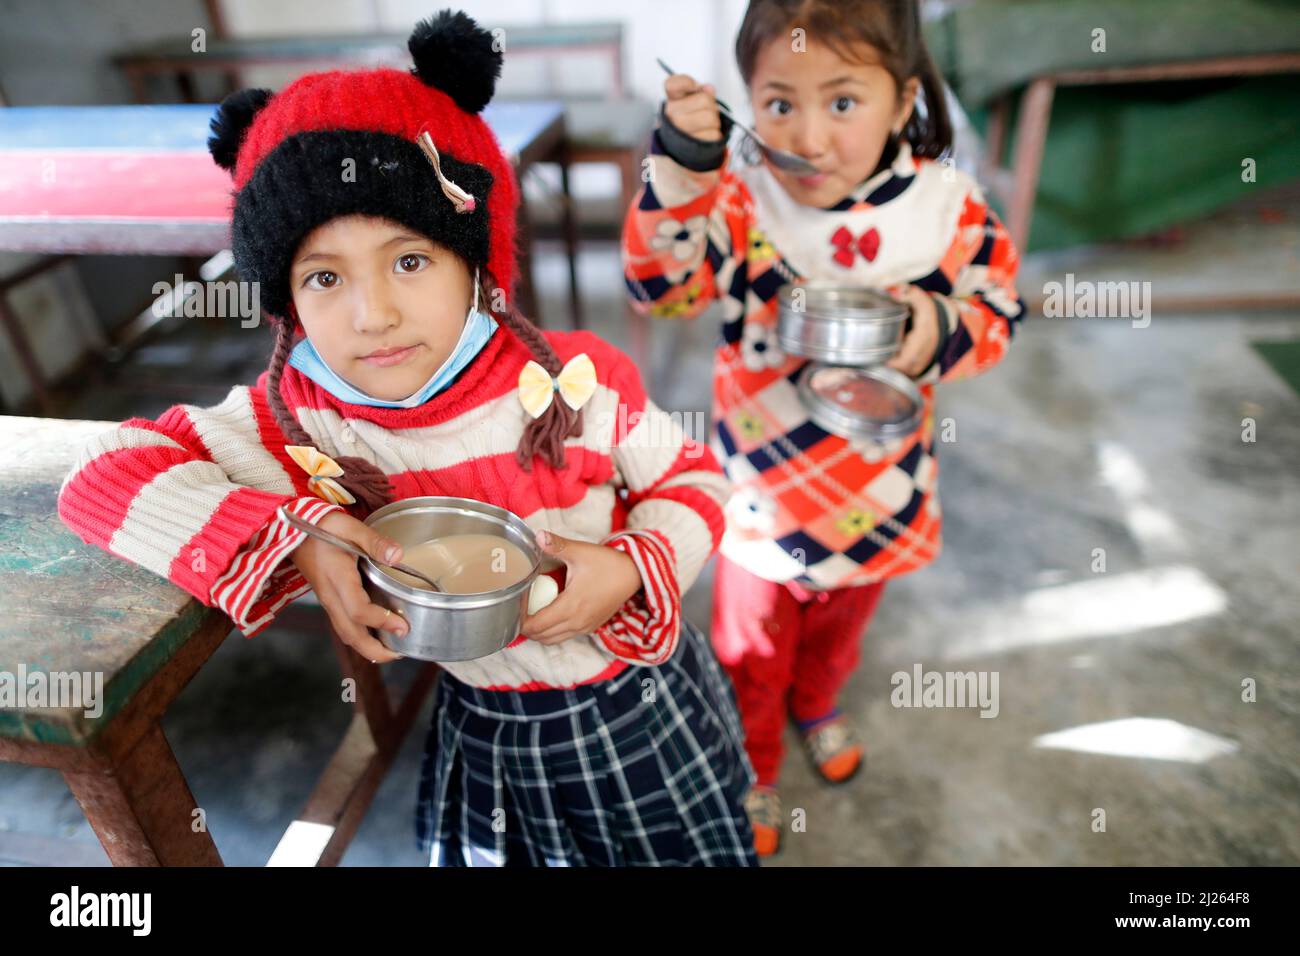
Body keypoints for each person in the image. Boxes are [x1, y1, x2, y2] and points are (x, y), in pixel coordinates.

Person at [59, 9, 755, 867]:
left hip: (645, 701)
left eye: (411, 260)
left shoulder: (579, 381)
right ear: (286, 301)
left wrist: (633, 565)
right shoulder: (305, 420)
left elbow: (699, 484)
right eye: (323, 276)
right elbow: (101, 473)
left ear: (479, 258)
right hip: (493, 736)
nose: (373, 313)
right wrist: (296, 539)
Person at [622, 0, 1025, 856]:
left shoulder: (945, 207)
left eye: (843, 102)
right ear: (748, 101)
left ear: (902, 96)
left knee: (842, 624)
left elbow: (998, 313)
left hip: (884, 482)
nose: (807, 136)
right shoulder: (739, 200)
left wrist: (930, 328)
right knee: (750, 645)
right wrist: (682, 171)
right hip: (762, 489)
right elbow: (663, 290)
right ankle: (754, 761)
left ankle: (819, 704)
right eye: (778, 103)